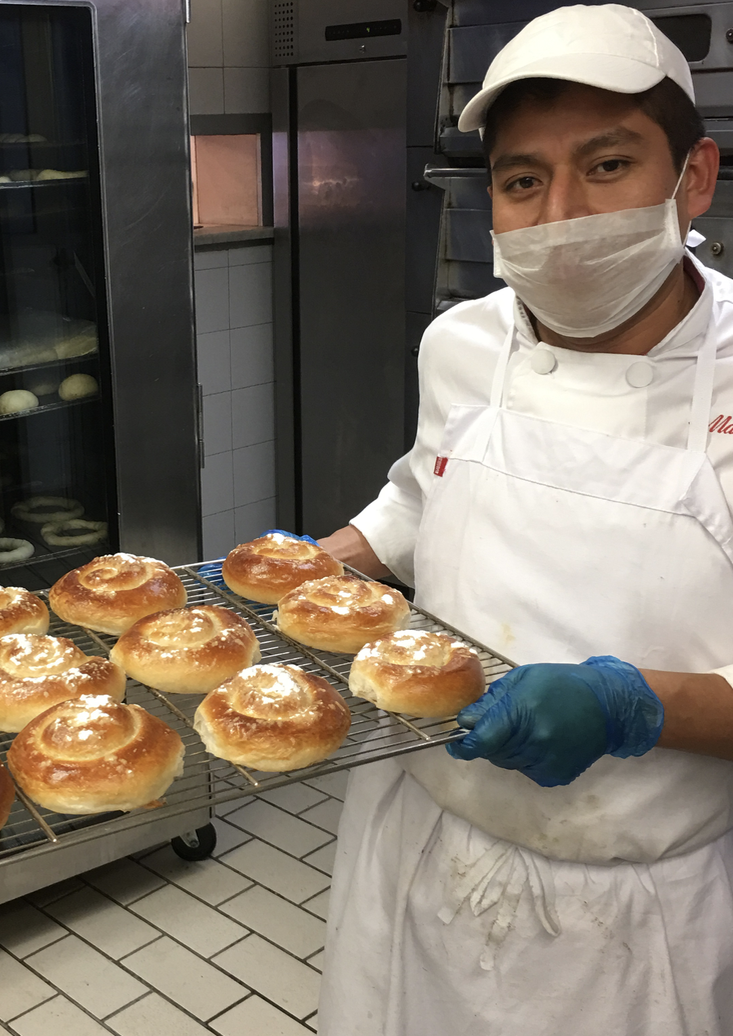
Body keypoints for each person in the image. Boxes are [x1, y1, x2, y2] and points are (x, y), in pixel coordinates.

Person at [316, 5, 733, 1034]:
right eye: (520, 180)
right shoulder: (461, 341)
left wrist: (632, 705)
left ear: (694, 177)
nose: (557, 214)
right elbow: (423, 492)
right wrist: (321, 564)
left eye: (606, 165)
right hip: (416, 846)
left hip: (633, 921)